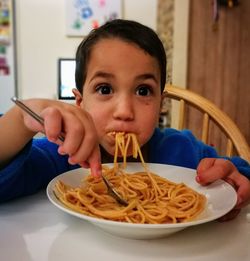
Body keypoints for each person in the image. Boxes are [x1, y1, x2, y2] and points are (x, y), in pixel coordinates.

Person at [0, 19, 249, 221]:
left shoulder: (183, 150)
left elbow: (239, 174)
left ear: (160, 104)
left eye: (143, 91)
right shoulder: (62, 153)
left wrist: (231, 178)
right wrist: (20, 121)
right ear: (80, 102)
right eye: (105, 89)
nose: (124, 111)